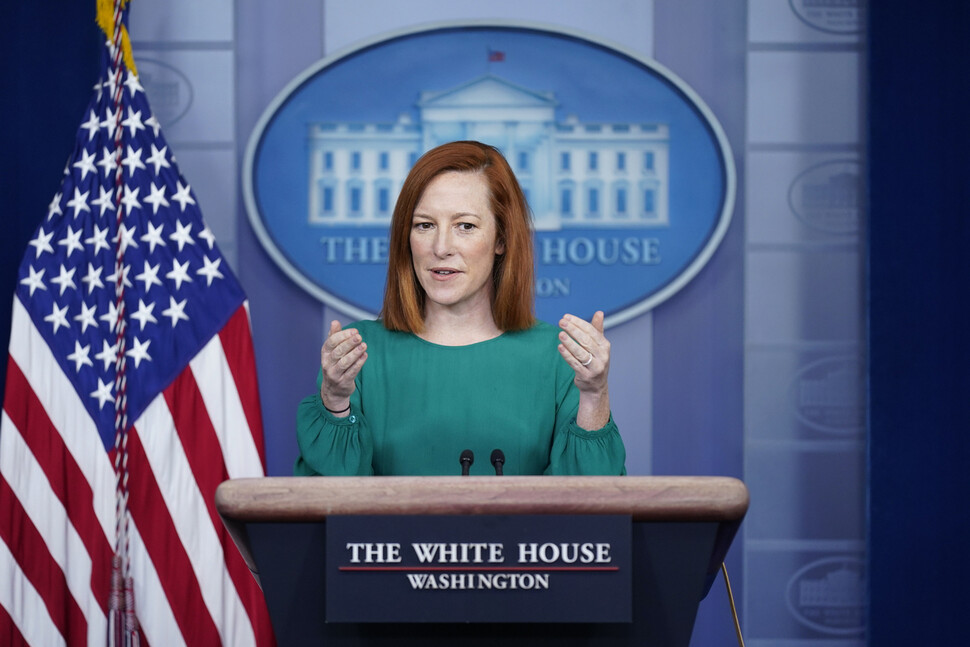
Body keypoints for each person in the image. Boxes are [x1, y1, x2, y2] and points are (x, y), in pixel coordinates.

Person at [294, 141, 625, 476]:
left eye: (465, 226)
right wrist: (335, 402)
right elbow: (325, 499)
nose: (441, 247)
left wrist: (595, 395)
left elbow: (590, 498)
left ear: (501, 239)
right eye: (424, 225)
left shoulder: (560, 357)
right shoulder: (359, 352)